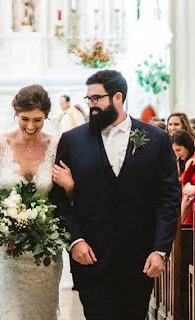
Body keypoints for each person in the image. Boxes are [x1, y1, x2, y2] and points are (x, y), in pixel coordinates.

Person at [51, 70, 179, 320]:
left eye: (96, 98)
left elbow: (168, 198)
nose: (91, 105)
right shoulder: (72, 141)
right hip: (90, 256)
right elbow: (58, 201)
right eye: (88, 99)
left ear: (118, 97)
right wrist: (75, 240)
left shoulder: (156, 139)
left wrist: (160, 250)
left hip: (139, 257)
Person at [0, 85, 74, 319]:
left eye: (38, 120)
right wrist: (5, 226)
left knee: (41, 312)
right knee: (7, 311)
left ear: (47, 116)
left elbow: (68, 198)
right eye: (25, 119)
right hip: (6, 246)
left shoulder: (57, 146)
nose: (31, 126)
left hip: (44, 249)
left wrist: (70, 185)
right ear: (15, 112)